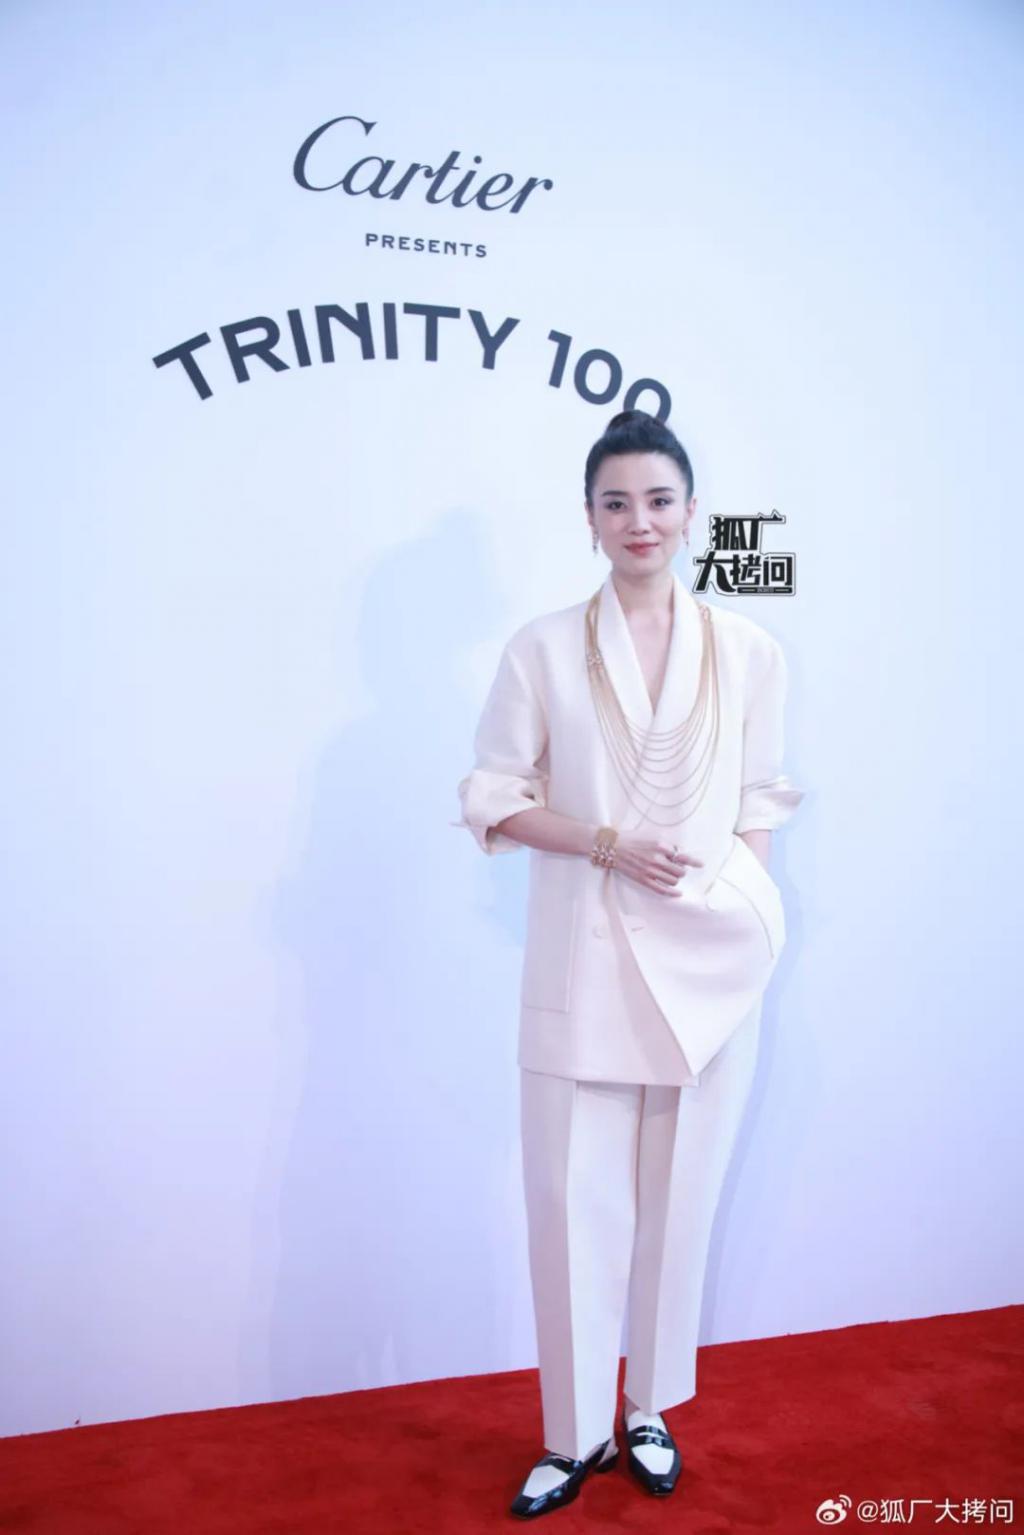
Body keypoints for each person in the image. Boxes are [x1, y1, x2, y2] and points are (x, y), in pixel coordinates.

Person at [453, 409, 806, 1519]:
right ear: (590, 518)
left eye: (658, 499)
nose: (639, 520)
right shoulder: (543, 647)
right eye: (617, 502)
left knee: (681, 1200)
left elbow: (758, 799)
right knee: (571, 1203)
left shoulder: (748, 651)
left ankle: (648, 1407)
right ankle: (571, 1435)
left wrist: (742, 912)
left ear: (691, 510)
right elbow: (494, 797)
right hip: (585, 955)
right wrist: (606, 842)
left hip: (712, 966)